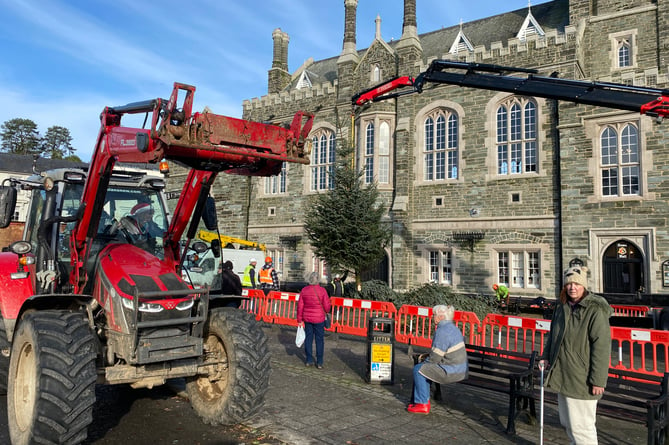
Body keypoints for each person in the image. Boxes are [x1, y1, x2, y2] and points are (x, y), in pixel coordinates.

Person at [540, 265, 612, 444]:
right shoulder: (562, 307)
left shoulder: (595, 310)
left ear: (584, 286)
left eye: (577, 284)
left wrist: (598, 380)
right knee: (569, 423)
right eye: (569, 284)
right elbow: (553, 336)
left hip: (582, 377)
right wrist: (546, 356)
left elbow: (601, 347)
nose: (572, 287)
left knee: (582, 428)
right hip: (563, 374)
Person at [408, 304, 469, 414]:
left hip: (450, 371)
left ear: (441, 317)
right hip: (461, 369)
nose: (432, 317)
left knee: (418, 369)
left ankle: (422, 404)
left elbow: (435, 357)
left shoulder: (442, 331)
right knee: (425, 368)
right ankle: (423, 399)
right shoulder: (454, 328)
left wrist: (424, 362)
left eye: (434, 315)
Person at [297, 272, 331, 369]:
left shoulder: (304, 290)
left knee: (308, 339)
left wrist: (299, 319)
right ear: (318, 280)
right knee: (319, 340)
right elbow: (327, 307)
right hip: (319, 318)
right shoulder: (322, 291)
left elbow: (300, 306)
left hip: (307, 318)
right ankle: (319, 362)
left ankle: (309, 360)